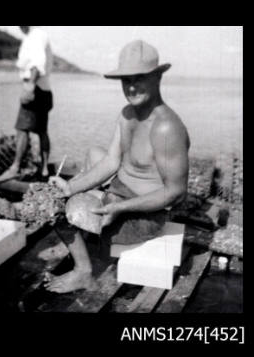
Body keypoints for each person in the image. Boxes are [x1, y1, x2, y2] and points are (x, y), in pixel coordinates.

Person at [45, 40, 190, 293]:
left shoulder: (167, 127)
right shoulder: (127, 114)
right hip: (117, 194)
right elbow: (111, 161)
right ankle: (85, 240)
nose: (131, 87)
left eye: (139, 78)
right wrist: (69, 187)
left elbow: (175, 192)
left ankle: (84, 272)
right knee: (54, 197)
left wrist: (119, 208)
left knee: (54, 210)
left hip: (144, 215)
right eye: (126, 80)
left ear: (157, 77)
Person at [0, 26, 54, 182]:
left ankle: (15, 168)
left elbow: (37, 63)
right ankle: (45, 169)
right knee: (42, 130)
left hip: (35, 88)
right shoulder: (36, 36)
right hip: (44, 90)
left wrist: (29, 87)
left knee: (22, 129)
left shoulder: (35, 36)